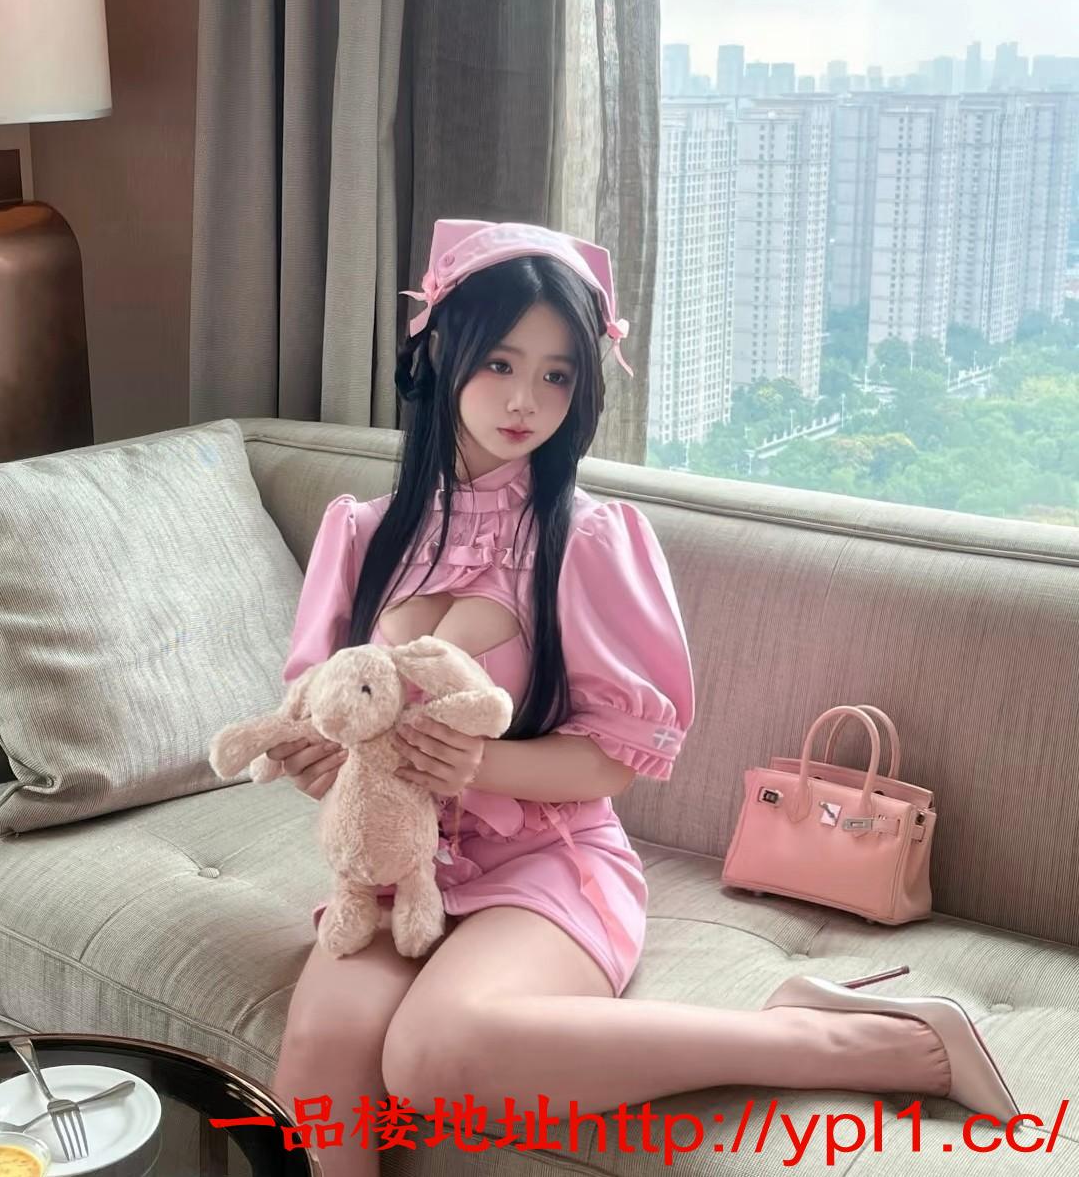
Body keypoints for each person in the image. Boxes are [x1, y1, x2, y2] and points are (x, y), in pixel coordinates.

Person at [268, 219, 1018, 1177]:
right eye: (499, 363)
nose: (524, 400)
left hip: (547, 863)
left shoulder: (588, 542)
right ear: (442, 353)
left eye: (556, 375)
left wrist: (479, 763)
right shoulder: (363, 535)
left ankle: (847, 1037)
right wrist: (319, 761)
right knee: (321, 1051)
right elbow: (332, 720)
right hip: (393, 866)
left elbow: (615, 761)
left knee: (434, 1058)